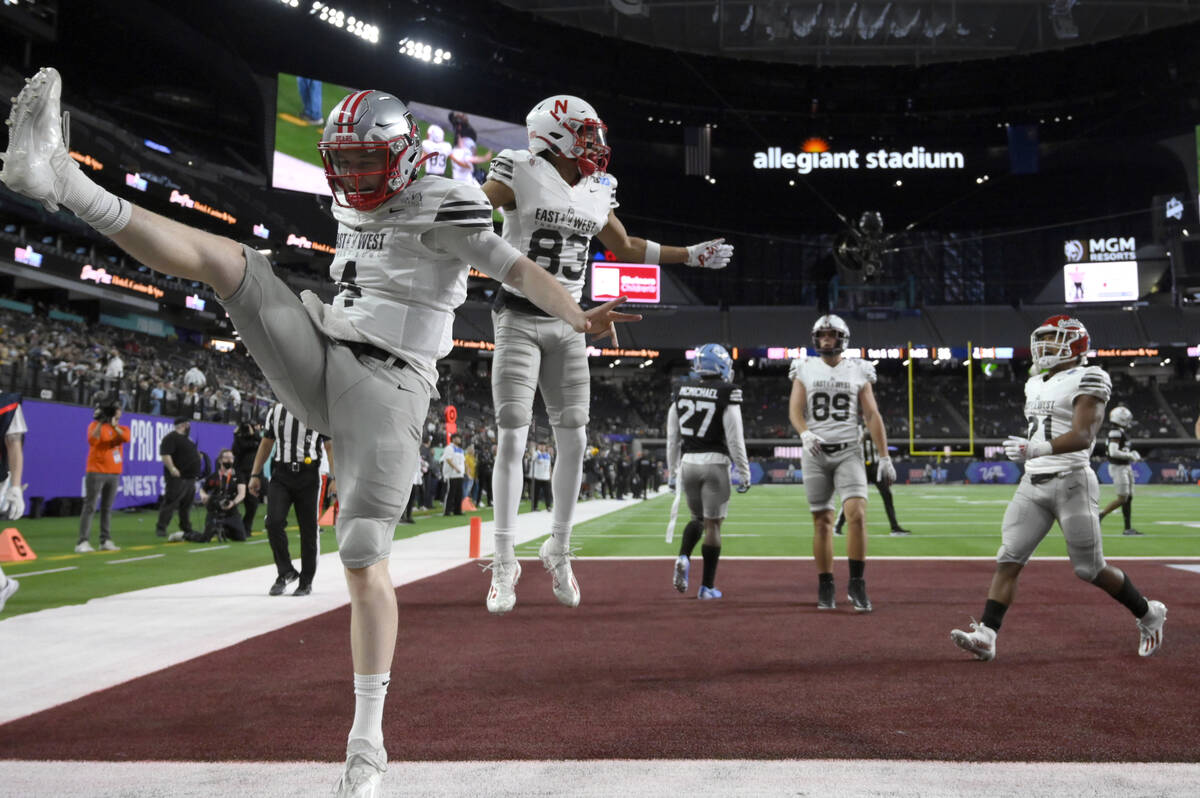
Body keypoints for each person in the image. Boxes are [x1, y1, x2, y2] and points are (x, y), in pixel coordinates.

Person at [0, 69, 637, 795]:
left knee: (363, 553)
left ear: (400, 155)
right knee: (231, 262)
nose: (353, 178)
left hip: (393, 386)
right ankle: (57, 179)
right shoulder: (357, 200)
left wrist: (577, 315)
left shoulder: (447, 199)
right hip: (327, 349)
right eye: (343, 165)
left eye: (367, 163)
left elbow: (518, 269)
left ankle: (366, 741)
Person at [480, 94, 733, 615]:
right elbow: (474, 207)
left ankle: (558, 546)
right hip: (518, 316)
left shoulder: (597, 187)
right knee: (512, 434)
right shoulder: (520, 169)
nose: (595, 144)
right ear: (553, 135)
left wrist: (690, 255)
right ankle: (504, 558)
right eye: (584, 134)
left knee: (573, 436)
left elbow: (625, 247)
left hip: (571, 324)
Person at [950, 315, 1167, 662]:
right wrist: (1033, 452)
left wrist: (1037, 448)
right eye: (1044, 339)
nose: (1045, 346)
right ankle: (987, 635)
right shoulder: (1034, 382)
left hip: (1072, 481)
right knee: (1008, 558)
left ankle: (1148, 612)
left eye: (1053, 340)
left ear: (1075, 343)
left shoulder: (1090, 376)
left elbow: (1083, 435)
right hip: (1032, 482)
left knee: (1089, 569)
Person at [788, 314, 895, 613]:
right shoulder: (804, 367)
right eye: (821, 334)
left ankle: (857, 584)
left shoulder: (858, 369)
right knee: (821, 522)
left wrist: (884, 456)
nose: (825, 339)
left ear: (842, 338)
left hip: (849, 450)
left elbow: (871, 415)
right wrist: (805, 432)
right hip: (815, 453)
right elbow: (795, 410)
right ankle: (826, 584)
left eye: (830, 334)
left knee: (857, 513)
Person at [667, 344, 750, 600]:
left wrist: (672, 473)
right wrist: (744, 472)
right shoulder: (727, 393)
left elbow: (672, 438)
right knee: (713, 526)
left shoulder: (681, 392)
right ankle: (707, 587)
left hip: (688, 464)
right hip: (715, 463)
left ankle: (683, 556)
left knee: (697, 520)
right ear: (723, 366)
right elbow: (736, 439)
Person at [249, 402, 332, 595]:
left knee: (309, 529)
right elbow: (267, 443)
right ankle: (285, 571)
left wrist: (334, 478)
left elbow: (330, 446)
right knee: (273, 522)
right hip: (282, 473)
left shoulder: (318, 410)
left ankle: (306, 580)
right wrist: (255, 474)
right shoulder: (276, 410)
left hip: (309, 475)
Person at [834, 422, 910, 537]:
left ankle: (895, 527)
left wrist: (886, 462)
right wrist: (863, 436)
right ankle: (838, 526)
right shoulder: (856, 428)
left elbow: (883, 443)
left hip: (876, 466)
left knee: (887, 495)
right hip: (861, 466)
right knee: (853, 496)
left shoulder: (877, 425)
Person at [76, 399, 130, 552]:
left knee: (107, 508)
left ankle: (105, 540)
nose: (117, 415)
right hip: (96, 470)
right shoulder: (95, 426)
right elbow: (93, 440)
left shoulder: (121, 428)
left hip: (114, 472)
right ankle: (82, 541)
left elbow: (126, 438)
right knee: (90, 506)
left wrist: (114, 426)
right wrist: (101, 422)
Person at [171, 448, 248, 543]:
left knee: (241, 537)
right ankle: (184, 535)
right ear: (220, 460)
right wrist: (204, 496)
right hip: (214, 511)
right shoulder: (213, 477)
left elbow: (242, 494)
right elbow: (203, 490)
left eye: (231, 458)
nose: (229, 460)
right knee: (205, 539)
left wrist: (233, 502)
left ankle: (222, 530)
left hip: (231, 512)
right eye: (226, 458)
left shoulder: (238, 476)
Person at [0, 391, 27, 613]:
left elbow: (14, 443)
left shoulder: (6, 404)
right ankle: (3, 585)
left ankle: (2, 586)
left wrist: (16, 487)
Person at [155, 417, 202, 538]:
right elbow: (165, 454)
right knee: (171, 502)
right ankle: (161, 527)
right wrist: (172, 468)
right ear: (184, 425)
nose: (189, 427)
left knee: (186, 505)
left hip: (190, 477)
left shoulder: (188, 440)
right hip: (178, 476)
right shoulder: (171, 437)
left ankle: (186, 527)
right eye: (188, 424)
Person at [1098, 405, 1140, 536]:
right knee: (1122, 498)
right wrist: (1130, 455)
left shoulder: (1120, 431)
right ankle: (1100, 516)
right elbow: (1113, 451)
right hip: (1118, 467)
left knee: (1129, 497)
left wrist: (1130, 454)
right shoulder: (1115, 432)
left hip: (1125, 466)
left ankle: (1128, 528)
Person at [231, 420, 263, 533]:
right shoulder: (239, 439)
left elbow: (261, 444)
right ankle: (235, 526)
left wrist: (253, 434)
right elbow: (235, 451)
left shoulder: (257, 439)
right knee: (238, 498)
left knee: (252, 504)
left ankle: (246, 527)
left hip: (253, 474)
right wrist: (236, 435)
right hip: (240, 472)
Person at [440, 433, 464, 516]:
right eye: (458, 438)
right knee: (450, 493)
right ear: (453, 439)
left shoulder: (460, 449)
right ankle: (447, 511)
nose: (460, 439)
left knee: (459, 493)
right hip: (451, 475)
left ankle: (458, 510)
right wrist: (455, 468)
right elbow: (448, 460)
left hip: (459, 474)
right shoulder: (449, 448)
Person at [530, 441, 553, 510]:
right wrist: (532, 448)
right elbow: (532, 457)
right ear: (538, 446)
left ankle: (548, 506)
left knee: (547, 493)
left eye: (543, 445)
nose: (542, 447)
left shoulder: (547, 455)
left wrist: (550, 475)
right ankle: (535, 507)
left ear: (545, 447)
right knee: (536, 493)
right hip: (537, 477)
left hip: (546, 477)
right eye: (541, 445)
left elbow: (549, 466)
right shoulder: (537, 453)